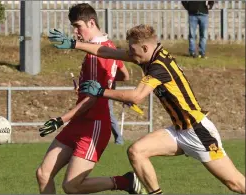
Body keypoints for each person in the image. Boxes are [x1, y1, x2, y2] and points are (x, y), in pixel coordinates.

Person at [51, 24, 246, 194]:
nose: (129, 53)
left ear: (144, 47)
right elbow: (108, 52)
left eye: (132, 49)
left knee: (235, 184)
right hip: (180, 131)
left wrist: (102, 91)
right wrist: (74, 44)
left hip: (198, 131)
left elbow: (136, 96)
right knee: (137, 151)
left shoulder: (159, 66)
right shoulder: (147, 54)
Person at [36, 3, 145, 194]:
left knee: (71, 186)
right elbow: (124, 74)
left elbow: (91, 101)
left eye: (78, 26)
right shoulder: (109, 46)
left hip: (93, 124)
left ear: (91, 22)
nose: (76, 32)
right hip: (80, 122)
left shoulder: (96, 53)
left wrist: (60, 120)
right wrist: (93, 82)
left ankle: (125, 182)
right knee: (43, 173)